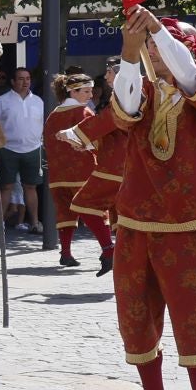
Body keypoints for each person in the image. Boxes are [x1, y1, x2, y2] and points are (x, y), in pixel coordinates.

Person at [75, 8, 196, 390]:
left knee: (195, 318)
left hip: (184, 225)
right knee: (135, 316)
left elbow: (188, 74)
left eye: (161, 45)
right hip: (134, 220)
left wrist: (155, 31)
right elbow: (124, 107)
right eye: (152, 46)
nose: (155, 52)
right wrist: (131, 52)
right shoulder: (141, 90)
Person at [43, 72, 112, 269]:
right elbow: (94, 138)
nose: (91, 95)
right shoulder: (83, 112)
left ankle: (65, 253)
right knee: (97, 210)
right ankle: (108, 250)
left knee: (65, 212)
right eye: (86, 91)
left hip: (58, 174)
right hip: (84, 171)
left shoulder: (52, 116)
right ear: (73, 92)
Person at [68, 57, 127, 276]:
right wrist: (89, 144)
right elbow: (114, 132)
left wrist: (76, 135)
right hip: (121, 162)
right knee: (122, 216)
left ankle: (110, 250)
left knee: (84, 203)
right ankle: (122, 256)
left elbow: (109, 122)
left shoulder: (124, 95)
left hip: (116, 165)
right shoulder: (121, 95)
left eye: (109, 72)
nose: (105, 76)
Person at [0, 67, 46, 234]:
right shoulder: (0, 101)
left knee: (31, 187)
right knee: (6, 187)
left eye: (28, 79)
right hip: (7, 149)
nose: (25, 82)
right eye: (21, 79)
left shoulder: (39, 101)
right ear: (13, 82)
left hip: (33, 148)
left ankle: (35, 222)